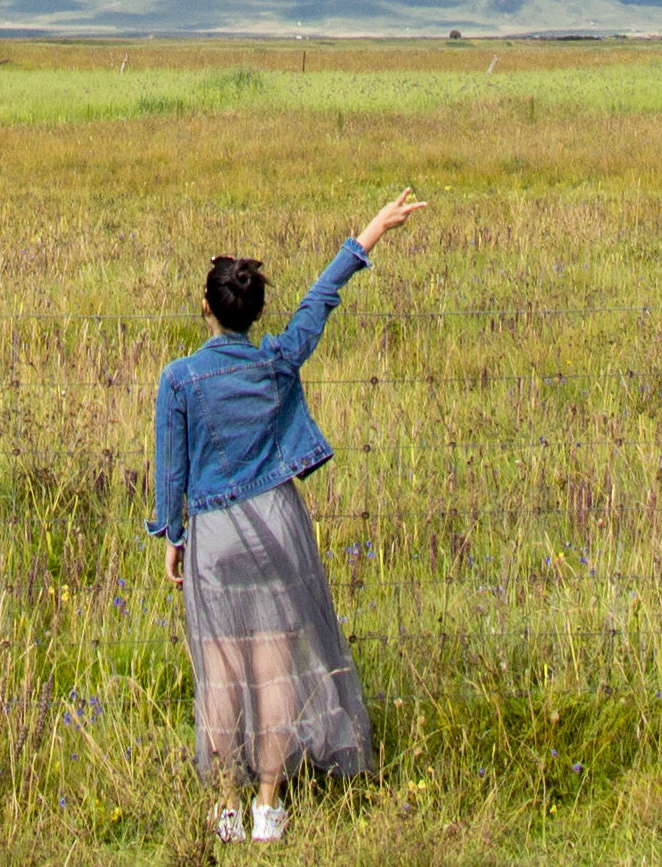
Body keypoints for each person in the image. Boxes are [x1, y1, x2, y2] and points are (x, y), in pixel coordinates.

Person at [150, 187, 430, 842]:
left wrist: (173, 533)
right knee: (275, 667)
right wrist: (368, 235)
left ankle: (224, 806)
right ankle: (269, 808)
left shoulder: (179, 379)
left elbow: (172, 469)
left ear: (206, 309)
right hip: (279, 526)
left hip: (214, 531)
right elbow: (319, 304)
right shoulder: (277, 359)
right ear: (255, 311)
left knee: (220, 671)